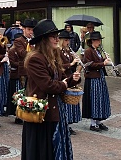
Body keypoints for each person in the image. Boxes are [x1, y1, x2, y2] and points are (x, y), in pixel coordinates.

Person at [22, 19, 80, 160]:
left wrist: (75, 78)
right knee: (43, 149)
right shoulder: (35, 59)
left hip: (55, 109)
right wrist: (65, 84)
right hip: (41, 113)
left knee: (56, 147)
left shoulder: (54, 56)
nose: (57, 39)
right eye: (53, 36)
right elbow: (47, 85)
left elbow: (62, 77)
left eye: (57, 36)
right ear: (43, 40)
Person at [82, 31, 112, 132]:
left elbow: (98, 61)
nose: (99, 42)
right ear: (92, 41)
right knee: (94, 100)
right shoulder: (88, 51)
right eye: (98, 40)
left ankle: (99, 121)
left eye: (99, 40)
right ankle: (93, 123)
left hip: (100, 77)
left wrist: (105, 59)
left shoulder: (97, 50)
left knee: (100, 99)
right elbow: (90, 64)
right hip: (93, 78)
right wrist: (103, 63)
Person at [58, 30, 81, 136]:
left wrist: (77, 62)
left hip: (70, 77)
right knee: (65, 101)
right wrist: (71, 63)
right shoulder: (57, 52)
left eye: (69, 40)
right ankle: (65, 124)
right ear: (61, 41)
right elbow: (59, 66)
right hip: (63, 78)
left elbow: (73, 65)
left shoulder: (68, 52)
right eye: (66, 40)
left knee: (70, 101)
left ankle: (69, 123)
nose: (68, 42)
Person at [12, 19, 37, 90]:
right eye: (29, 29)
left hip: (34, 70)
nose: (31, 32)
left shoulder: (35, 40)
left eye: (32, 30)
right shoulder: (18, 40)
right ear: (24, 29)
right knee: (24, 91)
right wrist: (34, 51)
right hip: (24, 71)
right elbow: (22, 53)